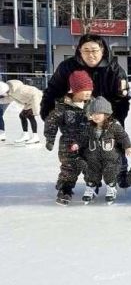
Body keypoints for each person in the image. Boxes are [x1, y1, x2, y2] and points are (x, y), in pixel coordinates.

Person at [40, 34, 131, 186]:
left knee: (113, 147)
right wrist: (48, 114)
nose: (91, 54)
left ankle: (121, 173)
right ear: (79, 51)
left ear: (103, 50)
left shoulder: (114, 69)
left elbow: (122, 99)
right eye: (86, 50)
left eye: (95, 50)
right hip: (76, 117)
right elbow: (53, 91)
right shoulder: (67, 67)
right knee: (79, 150)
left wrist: (115, 121)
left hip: (106, 117)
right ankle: (75, 183)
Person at [43, 70, 94, 205]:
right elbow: (51, 122)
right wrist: (50, 138)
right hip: (69, 144)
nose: (88, 92)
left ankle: (92, 186)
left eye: (90, 89)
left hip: (89, 142)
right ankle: (65, 189)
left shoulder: (93, 104)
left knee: (91, 166)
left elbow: (104, 119)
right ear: (75, 90)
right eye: (84, 89)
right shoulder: (63, 107)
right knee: (69, 168)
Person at [72, 97, 131, 205]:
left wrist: (128, 146)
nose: (95, 116)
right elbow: (82, 138)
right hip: (93, 158)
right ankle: (90, 188)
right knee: (91, 173)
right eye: (93, 114)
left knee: (110, 173)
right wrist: (77, 144)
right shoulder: (89, 127)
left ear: (106, 114)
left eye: (99, 113)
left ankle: (111, 188)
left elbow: (123, 137)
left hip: (111, 158)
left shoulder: (114, 126)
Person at [5, 79, 42, 144]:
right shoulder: (11, 92)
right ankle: (26, 135)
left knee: (30, 116)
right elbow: (7, 100)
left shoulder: (21, 89)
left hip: (37, 98)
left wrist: (36, 110)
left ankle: (35, 137)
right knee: (22, 116)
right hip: (29, 102)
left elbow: (35, 92)